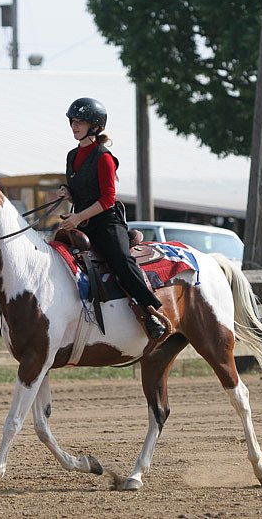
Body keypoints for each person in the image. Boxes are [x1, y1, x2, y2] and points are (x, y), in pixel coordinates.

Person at [56, 97, 167, 340]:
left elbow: (107, 199)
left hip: (106, 222)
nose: (75, 126)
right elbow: (85, 191)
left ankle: (150, 312)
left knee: (121, 260)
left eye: (80, 122)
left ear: (94, 126)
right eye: (73, 121)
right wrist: (69, 193)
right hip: (82, 220)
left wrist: (77, 218)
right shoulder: (71, 155)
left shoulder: (104, 157)